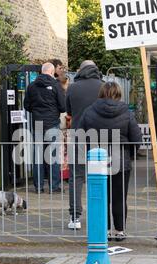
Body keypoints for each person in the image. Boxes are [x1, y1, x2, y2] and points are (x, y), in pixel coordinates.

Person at [77, 82, 142, 242]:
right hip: (121, 160)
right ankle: (119, 231)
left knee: (100, 197)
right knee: (119, 197)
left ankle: (103, 230)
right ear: (118, 93)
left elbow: (79, 134)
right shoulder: (126, 112)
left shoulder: (89, 111)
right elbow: (136, 138)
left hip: (97, 161)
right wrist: (130, 155)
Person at [65, 60, 104, 230]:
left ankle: (75, 217)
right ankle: (101, 215)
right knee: (101, 176)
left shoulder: (73, 87)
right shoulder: (103, 86)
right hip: (100, 136)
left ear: (80, 70)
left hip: (78, 135)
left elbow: (69, 112)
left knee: (77, 176)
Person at [24, 63, 66, 194]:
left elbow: (27, 105)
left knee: (38, 156)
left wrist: (36, 111)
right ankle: (54, 186)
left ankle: (38, 187)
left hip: (37, 124)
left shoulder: (31, 86)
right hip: (52, 123)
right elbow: (63, 106)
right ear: (52, 72)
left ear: (42, 72)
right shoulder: (56, 85)